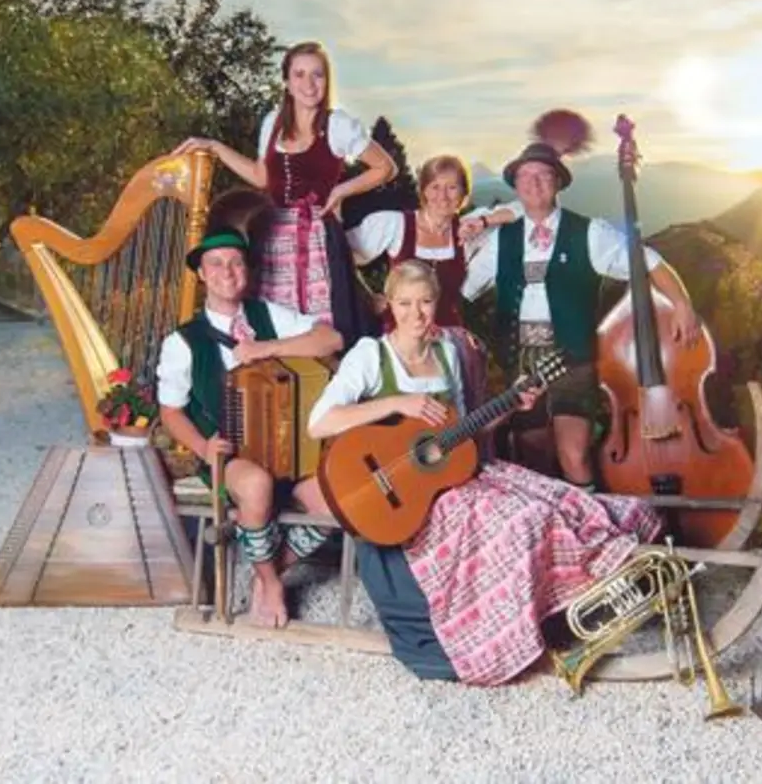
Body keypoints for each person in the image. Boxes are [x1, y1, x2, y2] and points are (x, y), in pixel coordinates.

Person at [307, 259, 663, 686]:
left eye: (425, 302)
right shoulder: (371, 355)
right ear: (390, 305)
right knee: (521, 521)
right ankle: (503, 638)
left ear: (437, 302)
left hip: (452, 476)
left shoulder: (446, 354)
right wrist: (395, 404)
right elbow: (319, 422)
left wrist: (512, 404)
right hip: (406, 494)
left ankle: (580, 606)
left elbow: (459, 436)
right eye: (404, 304)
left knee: (562, 502)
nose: (415, 314)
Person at [460, 136, 702, 494]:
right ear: (516, 186)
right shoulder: (501, 240)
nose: (534, 183)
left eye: (543, 175)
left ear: (558, 182)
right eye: (525, 177)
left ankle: (592, 530)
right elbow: (463, 292)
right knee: (532, 455)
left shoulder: (590, 233)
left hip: (572, 356)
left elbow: (648, 262)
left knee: (573, 453)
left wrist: (682, 304)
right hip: (518, 360)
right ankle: (554, 537)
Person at [155, 227, 344, 628]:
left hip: (289, 449)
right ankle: (271, 583)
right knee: (256, 485)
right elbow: (170, 411)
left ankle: (271, 566)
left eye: (237, 262)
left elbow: (331, 339)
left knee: (336, 501)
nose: (228, 271)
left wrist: (266, 348)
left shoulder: (268, 315)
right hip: (229, 454)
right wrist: (203, 448)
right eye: (217, 263)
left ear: (247, 270)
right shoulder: (183, 341)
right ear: (202, 274)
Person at [168, 41, 395, 347]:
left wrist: (341, 190)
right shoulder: (273, 123)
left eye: (318, 75)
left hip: (317, 237)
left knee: (324, 322)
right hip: (272, 235)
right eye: (299, 75)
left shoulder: (338, 125)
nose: (309, 84)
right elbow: (262, 177)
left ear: (327, 81)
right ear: (287, 82)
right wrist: (216, 148)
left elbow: (385, 167)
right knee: (272, 318)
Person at [344, 154, 520, 403]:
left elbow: (525, 210)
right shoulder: (396, 225)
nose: (443, 196)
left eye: (452, 187)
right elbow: (341, 255)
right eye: (435, 187)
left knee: (458, 418)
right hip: (399, 340)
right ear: (424, 191)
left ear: (463, 194)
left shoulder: (469, 230)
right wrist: (367, 296)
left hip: (449, 343)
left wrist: (484, 220)